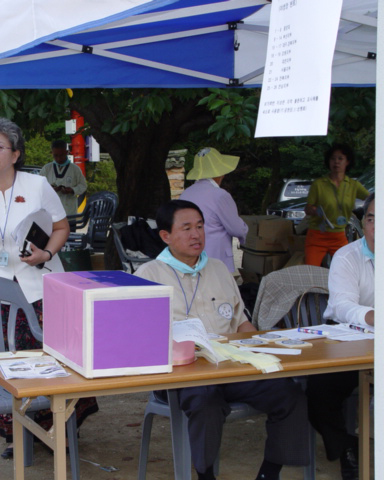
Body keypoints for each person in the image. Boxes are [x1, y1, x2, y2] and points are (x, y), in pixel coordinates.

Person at [136, 199, 309, 480]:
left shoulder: (218, 269)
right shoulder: (148, 276)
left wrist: (263, 350)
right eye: (187, 228)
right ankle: (205, 475)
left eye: (200, 227)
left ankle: (270, 472)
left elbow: (241, 321)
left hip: (231, 368)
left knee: (289, 392)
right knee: (206, 400)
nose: (196, 234)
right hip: (182, 377)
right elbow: (141, 338)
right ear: (165, 236)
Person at [0, 117, 98, 458]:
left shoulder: (36, 186)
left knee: (53, 356)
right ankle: (16, 433)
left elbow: (61, 227)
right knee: (6, 359)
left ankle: (59, 427)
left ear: (15, 154)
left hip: (41, 282)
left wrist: (47, 251)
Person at [306, 192, 374, 480]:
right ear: (363, 222)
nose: (377, 227)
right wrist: (372, 316)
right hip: (348, 339)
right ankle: (347, 447)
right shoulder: (348, 255)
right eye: (372, 219)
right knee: (319, 390)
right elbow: (343, 304)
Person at [180, 147, 247, 273]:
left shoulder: (186, 193)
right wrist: (246, 236)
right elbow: (236, 228)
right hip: (215, 257)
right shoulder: (220, 195)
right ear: (221, 172)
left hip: (190, 255)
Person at [304, 144, 370, 266]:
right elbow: (307, 208)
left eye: (340, 158)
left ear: (347, 162)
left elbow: (372, 198)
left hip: (339, 235)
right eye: (333, 158)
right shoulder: (318, 184)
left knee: (347, 268)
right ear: (328, 161)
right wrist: (315, 210)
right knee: (310, 272)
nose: (336, 162)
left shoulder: (353, 185)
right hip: (317, 235)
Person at [39, 139, 86, 219]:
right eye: (55, 155)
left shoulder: (75, 169)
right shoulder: (47, 169)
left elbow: (83, 186)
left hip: (69, 211)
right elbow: (39, 186)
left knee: (69, 230)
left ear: (66, 153)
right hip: (50, 211)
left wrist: (72, 190)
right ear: (52, 153)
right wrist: (50, 188)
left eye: (61, 155)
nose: (58, 158)